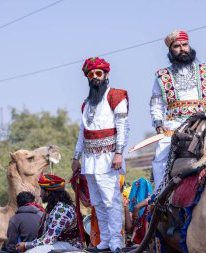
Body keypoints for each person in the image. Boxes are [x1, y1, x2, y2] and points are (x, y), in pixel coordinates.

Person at [150, 29, 206, 192]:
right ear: (170, 50)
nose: (182, 48)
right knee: (160, 156)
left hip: (205, 122)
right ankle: (159, 197)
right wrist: (158, 124)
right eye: (177, 46)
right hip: (174, 126)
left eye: (185, 44)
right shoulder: (162, 76)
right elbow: (156, 103)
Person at [72, 57, 130, 253]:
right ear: (88, 78)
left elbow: (123, 127)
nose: (95, 77)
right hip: (89, 159)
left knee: (110, 200)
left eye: (99, 73)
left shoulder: (116, 96)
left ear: (106, 75)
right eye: (91, 74)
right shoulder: (86, 104)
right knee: (97, 202)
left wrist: (119, 153)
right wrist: (75, 157)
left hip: (108, 157)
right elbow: (82, 132)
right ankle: (105, 239)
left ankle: (116, 241)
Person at [16, 174, 83, 252]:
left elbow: (49, 239)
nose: (40, 194)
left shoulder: (62, 209)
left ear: (48, 192)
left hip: (70, 244)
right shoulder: (54, 207)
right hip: (58, 243)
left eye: (42, 190)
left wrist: (26, 245)